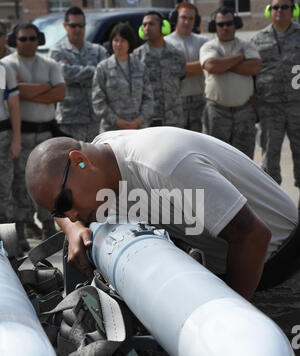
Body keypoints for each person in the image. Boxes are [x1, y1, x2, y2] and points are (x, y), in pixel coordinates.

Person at [25, 127, 298, 302]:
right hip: (238, 268)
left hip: (281, 268)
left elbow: (253, 236)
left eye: (65, 202)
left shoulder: (164, 166)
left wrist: (229, 313)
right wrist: (74, 231)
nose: (70, 215)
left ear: (79, 161)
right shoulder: (101, 160)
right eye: (59, 210)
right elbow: (60, 203)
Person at [2, 23, 65, 247]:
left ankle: (49, 224)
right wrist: (44, 88)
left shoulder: (50, 63)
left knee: (48, 181)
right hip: (22, 134)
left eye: (32, 38)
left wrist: (26, 91)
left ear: (39, 39)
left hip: (47, 132)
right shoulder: (7, 65)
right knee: (20, 184)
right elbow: (14, 98)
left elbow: (60, 92)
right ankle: (22, 226)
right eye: (22, 39)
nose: (28, 42)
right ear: (14, 41)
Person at [251, 0, 300, 202]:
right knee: (269, 157)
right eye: (275, 7)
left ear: (293, 10)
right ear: (269, 11)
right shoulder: (257, 39)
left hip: (298, 105)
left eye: (284, 7)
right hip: (269, 107)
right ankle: (275, 205)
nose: (279, 11)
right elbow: (252, 72)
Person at [200, 7, 261, 159]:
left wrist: (224, 65)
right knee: (217, 159)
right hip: (217, 112)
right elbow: (212, 66)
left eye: (229, 23)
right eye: (221, 24)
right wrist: (239, 58)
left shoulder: (246, 45)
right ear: (215, 27)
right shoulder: (209, 46)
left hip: (244, 111)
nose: (225, 27)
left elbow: (254, 67)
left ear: (236, 24)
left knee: (244, 160)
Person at [49, 6, 108, 142]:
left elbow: (104, 74)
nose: (78, 29)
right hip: (69, 120)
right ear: (65, 26)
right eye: (73, 25)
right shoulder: (57, 52)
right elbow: (63, 74)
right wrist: (93, 70)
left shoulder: (98, 50)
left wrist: (75, 72)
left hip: (95, 118)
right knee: (74, 160)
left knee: (94, 160)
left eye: (81, 25)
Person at [92, 22, 153, 133]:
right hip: (112, 129)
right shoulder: (103, 68)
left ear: (129, 43)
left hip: (138, 128)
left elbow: (148, 98)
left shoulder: (140, 67)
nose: (118, 44)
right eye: (115, 40)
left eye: (123, 41)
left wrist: (139, 120)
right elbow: (98, 101)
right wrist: (117, 121)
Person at [134, 11, 185, 127]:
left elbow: (181, 78)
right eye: (144, 25)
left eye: (151, 24)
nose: (146, 28)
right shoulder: (136, 57)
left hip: (174, 119)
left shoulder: (177, 55)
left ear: (163, 27)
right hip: (149, 120)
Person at [165, 3, 208, 132]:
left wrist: (179, 69)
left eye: (191, 18)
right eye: (183, 17)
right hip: (175, 104)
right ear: (175, 18)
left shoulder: (203, 41)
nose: (187, 21)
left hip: (199, 103)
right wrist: (197, 66)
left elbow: (208, 65)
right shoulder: (166, 42)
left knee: (199, 146)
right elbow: (168, 71)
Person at [0, 61, 21, 233]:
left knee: (5, 189)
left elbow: (13, 106)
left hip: (2, 136)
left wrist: (16, 139)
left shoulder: (3, 69)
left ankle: (7, 241)